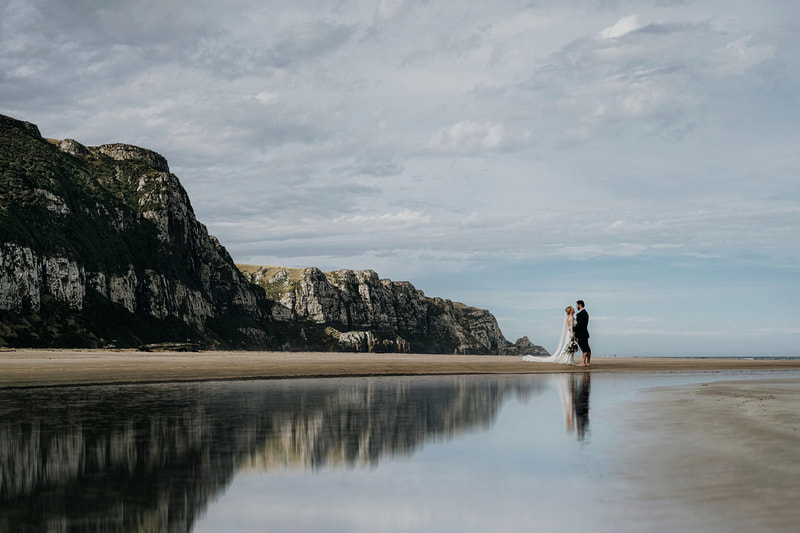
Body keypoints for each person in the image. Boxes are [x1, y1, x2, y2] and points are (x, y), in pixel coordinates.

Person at [574, 300, 591, 367]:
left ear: (580, 305)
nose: (576, 306)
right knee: (587, 348)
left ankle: (583, 363)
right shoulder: (585, 313)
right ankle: (588, 362)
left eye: (577, 305)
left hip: (581, 333)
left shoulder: (581, 314)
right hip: (585, 333)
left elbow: (580, 325)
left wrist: (573, 329)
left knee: (584, 348)